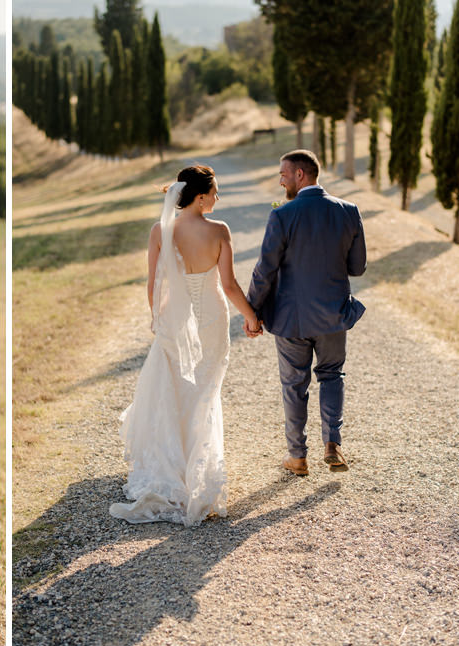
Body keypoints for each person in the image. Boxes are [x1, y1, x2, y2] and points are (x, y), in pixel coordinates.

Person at [110, 165, 261, 526]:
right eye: (215, 192)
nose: (218, 199)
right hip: (210, 318)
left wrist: (157, 320)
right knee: (204, 392)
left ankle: (172, 470)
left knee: (174, 390)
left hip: (175, 321)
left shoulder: (160, 230)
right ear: (200, 196)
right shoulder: (219, 230)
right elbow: (229, 285)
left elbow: (154, 284)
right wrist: (252, 317)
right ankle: (198, 471)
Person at [247, 149, 366, 476]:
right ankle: (332, 443)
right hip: (332, 316)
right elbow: (357, 268)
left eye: (283, 173)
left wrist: (252, 310)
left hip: (290, 319)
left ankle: (298, 458)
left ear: (301, 175)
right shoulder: (349, 211)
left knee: (293, 385)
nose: (280, 179)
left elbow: (264, 271)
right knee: (331, 375)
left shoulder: (283, 215)